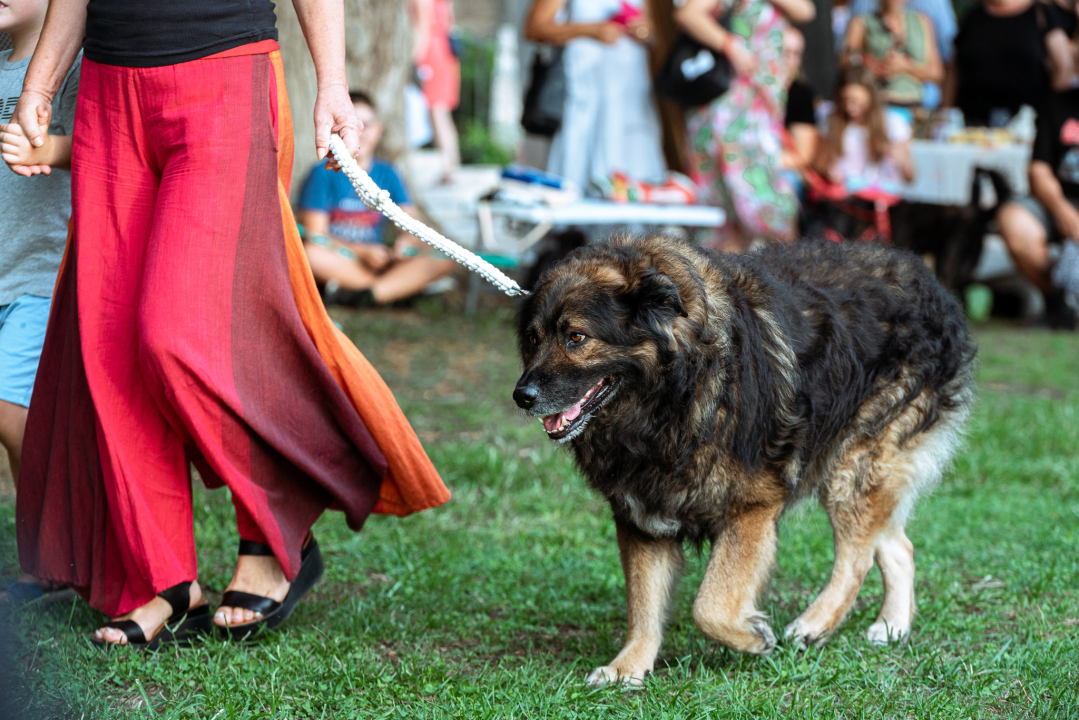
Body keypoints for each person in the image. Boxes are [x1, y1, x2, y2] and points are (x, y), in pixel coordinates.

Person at [10, 0, 450, 647]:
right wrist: (40, 86)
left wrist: (332, 81)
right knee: (110, 344)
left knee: (176, 333)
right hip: (108, 89)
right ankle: (163, 582)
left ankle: (275, 526)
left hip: (223, 72)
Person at [0, 0, 78, 605]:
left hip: (40, 273)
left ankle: (54, 553)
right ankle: (44, 559)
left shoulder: (73, 66)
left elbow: (110, 143)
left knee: (9, 409)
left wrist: (49, 149)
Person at [677, 0, 817, 250]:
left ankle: (764, 283)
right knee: (737, 213)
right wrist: (730, 45)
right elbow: (688, 14)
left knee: (756, 215)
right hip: (733, 115)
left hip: (760, 111)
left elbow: (806, 10)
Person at [298, 91, 455, 306]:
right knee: (311, 254)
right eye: (352, 126)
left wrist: (404, 244)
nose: (361, 133)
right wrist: (362, 251)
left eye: (367, 125)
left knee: (443, 255)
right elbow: (316, 236)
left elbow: (412, 228)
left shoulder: (388, 173)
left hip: (381, 259)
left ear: (378, 129)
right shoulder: (322, 172)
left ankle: (367, 293)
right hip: (344, 258)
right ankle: (394, 290)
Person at [525, 0, 667, 192]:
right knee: (578, 170)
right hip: (584, 95)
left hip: (631, 97)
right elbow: (535, 28)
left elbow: (657, 31)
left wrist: (645, 31)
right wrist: (591, 30)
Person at [996, 77, 1079, 329]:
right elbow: (1039, 171)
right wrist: (1065, 212)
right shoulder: (1057, 103)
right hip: (1059, 204)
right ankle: (1057, 305)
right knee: (1012, 218)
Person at [945, 0, 1073, 127]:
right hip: (972, 125)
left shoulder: (1042, 13)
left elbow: (1064, 68)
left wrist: (1051, 115)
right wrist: (945, 113)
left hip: (1027, 125)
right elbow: (954, 69)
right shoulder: (974, 16)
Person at [814, 66, 915, 194]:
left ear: (871, 98)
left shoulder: (893, 124)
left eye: (856, 101)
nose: (850, 107)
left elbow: (910, 176)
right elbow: (819, 163)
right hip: (844, 197)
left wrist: (900, 159)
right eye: (846, 100)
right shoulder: (830, 119)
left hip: (878, 198)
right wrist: (829, 170)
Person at [842, 0, 943, 108]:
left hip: (917, 102)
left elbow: (937, 72)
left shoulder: (923, 21)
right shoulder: (861, 21)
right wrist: (867, 63)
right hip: (879, 101)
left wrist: (906, 67)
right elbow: (845, 60)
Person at [411, 0, 461, 183]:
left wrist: (414, 61)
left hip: (431, 54)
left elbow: (422, 28)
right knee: (441, 113)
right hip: (447, 53)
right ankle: (451, 165)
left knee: (437, 112)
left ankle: (449, 168)